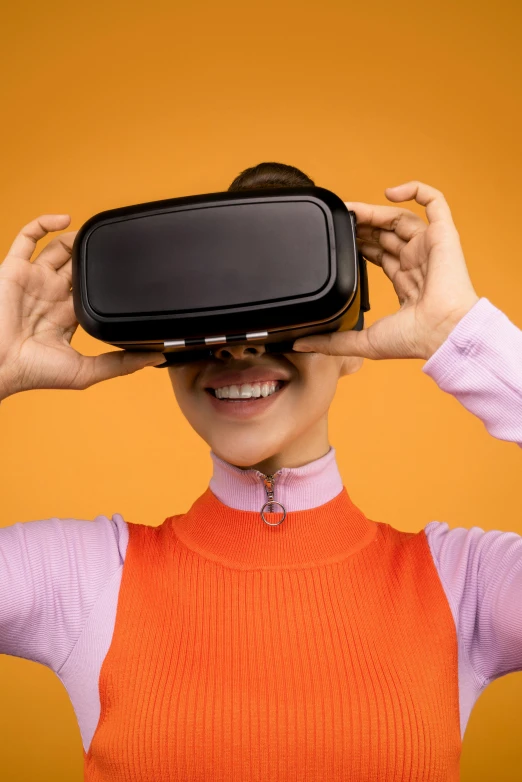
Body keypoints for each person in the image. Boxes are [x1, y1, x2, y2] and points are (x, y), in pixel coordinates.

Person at [0, 161, 520, 782]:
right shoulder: (82, 579)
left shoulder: (469, 585)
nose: (238, 346)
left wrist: (464, 337)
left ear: (354, 332)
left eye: (283, 307)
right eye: (202, 316)